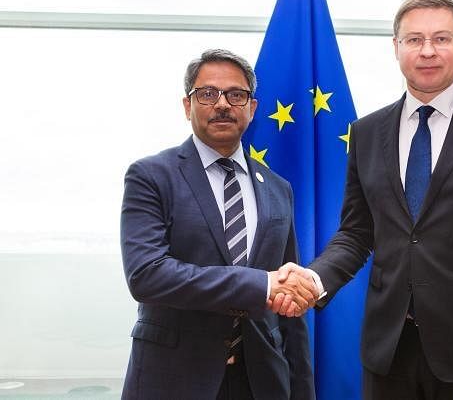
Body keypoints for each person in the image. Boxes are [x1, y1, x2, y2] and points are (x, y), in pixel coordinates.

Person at [273, 0, 453, 400]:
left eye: (441, 38)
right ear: (396, 46)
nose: (428, 51)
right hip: (387, 354)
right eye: (414, 39)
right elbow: (356, 233)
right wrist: (313, 280)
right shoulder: (366, 133)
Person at [120, 49, 317, 400]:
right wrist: (260, 285)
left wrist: (302, 391)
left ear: (252, 108)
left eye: (236, 95)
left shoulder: (278, 188)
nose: (222, 104)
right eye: (208, 94)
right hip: (174, 379)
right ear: (187, 106)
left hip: (262, 382)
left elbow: (289, 308)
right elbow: (147, 275)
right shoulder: (151, 176)